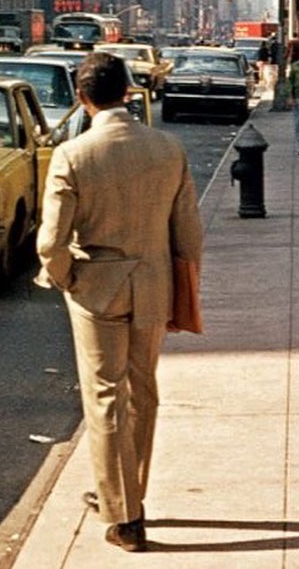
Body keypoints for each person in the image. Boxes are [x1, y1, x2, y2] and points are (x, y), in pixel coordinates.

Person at [35, 52, 204, 554]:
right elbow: (189, 236)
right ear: (130, 92)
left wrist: (69, 280)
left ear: (82, 98)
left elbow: (50, 242)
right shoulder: (167, 149)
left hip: (97, 289)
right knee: (143, 393)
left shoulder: (74, 155)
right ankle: (130, 496)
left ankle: (124, 513)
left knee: (105, 396)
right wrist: (182, 288)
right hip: (153, 285)